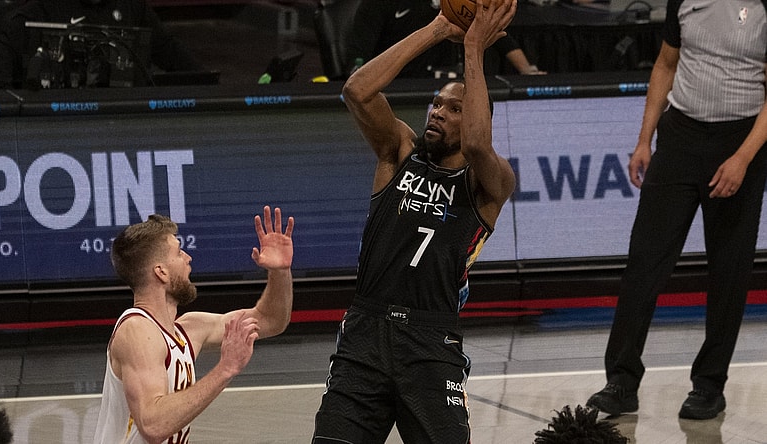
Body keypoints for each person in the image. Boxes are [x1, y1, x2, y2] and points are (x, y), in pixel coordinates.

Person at [312, 0, 517, 442]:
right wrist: (439, 27)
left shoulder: (488, 184)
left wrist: (475, 49)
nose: (438, 111)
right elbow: (357, 91)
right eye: (436, 103)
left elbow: (479, 144)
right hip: (365, 333)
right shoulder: (399, 152)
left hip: (430, 340)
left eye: (453, 108)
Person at [586, 0, 767, 421]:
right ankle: (622, 381)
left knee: (729, 269)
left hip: (742, 140)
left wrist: (742, 159)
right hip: (680, 136)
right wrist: (644, 139)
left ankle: (709, 385)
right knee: (644, 262)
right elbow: (666, 65)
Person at [93, 205, 294, 443]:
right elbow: (153, 424)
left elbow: (271, 320)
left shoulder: (188, 328)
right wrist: (225, 368)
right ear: (161, 272)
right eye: (179, 253)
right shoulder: (136, 330)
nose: (188, 258)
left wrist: (280, 272)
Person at [0, 0, 203, 89]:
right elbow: (2, 56)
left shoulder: (130, 6)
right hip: (59, 119)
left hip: (125, 117)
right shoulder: (43, 8)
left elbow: (169, 51)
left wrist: (208, 85)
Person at [346, 0, 544, 79]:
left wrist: (526, 69)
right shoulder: (376, 4)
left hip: (447, 81)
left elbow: (494, 32)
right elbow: (358, 56)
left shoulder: (458, 2)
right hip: (400, 83)